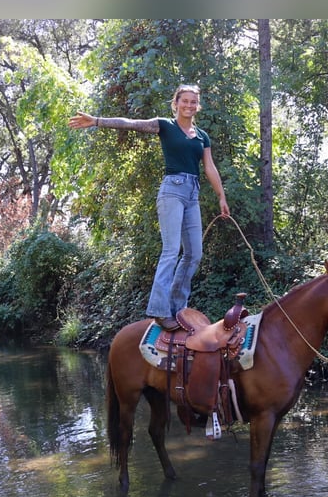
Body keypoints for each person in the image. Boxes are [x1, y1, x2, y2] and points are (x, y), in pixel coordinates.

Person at [68, 84, 230, 331]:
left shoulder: (201, 136)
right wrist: (97, 121)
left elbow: (209, 167)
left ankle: (178, 310)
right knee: (171, 250)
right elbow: (130, 123)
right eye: (184, 101)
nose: (189, 105)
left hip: (192, 194)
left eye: (193, 102)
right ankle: (159, 311)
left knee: (194, 254)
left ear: (198, 106)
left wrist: (221, 196)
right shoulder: (165, 125)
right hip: (172, 191)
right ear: (176, 103)